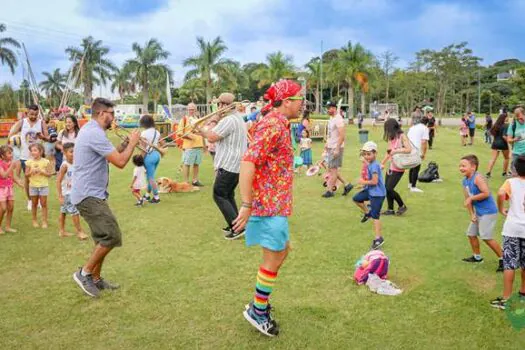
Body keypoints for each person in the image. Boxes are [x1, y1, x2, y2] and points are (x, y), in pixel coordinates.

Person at [232, 80, 303, 337]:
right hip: (267, 205)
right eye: (299, 99)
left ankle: (259, 303)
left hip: (275, 205)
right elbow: (248, 162)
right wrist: (247, 204)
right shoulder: (273, 125)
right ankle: (258, 311)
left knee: (281, 252)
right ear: (286, 102)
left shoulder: (279, 124)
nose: (302, 104)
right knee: (273, 258)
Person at [71, 98, 140, 298]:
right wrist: (133, 144)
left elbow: (110, 154)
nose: (114, 117)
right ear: (102, 113)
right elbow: (120, 162)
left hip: (90, 193)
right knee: (111, 235)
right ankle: (84, 273)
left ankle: (96, 279)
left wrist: (125, 144)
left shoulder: (93, 131)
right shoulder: (94, 133)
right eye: (112, 113)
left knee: (102, 237)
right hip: (88, 195)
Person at [198, 92, 247, 240]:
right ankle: (237, 224)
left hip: (229, 163)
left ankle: (237, 228)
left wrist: (204, 128)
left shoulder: (229, 120)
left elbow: (212, 137)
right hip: (236, 163)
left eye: (219, 104)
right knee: (227, 194)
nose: (217, 107)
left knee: (218, 194)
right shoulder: (236, 117)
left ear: (224, 106)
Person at [459, 155, 503, 272]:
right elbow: (467, 199)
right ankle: (477, 257)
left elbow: (486, 193)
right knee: (471, 234)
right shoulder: (465, 181)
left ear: (473, 167)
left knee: (486, 237)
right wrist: (472, 214)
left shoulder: (478, 178)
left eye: (464, 166)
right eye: (460, 166)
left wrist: (471, 199)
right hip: (478, 213)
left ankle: (504, 259)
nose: (461, 168)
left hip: (488, 212)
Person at [492, 156, 525, 309]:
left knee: (510, 264)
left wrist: (500, 208)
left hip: (512, 229)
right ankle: (523, 293)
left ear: (515, 169)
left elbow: (500, 194)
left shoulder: (511, 182)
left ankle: (506, 299)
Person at [8, 104, 49, 211]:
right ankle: (30, 200)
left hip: (39, 156)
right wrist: (13, 141)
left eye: (35, 114)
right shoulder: (22, 122)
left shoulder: (42, 122)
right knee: (27, 178)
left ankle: (38, 200)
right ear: (27, 113)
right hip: (25, 155)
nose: (33, 116)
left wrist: (42, 137)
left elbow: (48, 138)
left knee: (39, 177)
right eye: (31, 114)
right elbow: (11, 134)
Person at [352, 141, 387, 250]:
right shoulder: (371, 164)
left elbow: (375, 181)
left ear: (375, 153)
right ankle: (367, 213)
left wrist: (363, 182)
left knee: (376, 216)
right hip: (370, 191)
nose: (366, 156)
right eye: (365, 154)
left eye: (369, 154)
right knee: (356, 198)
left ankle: (378, 238)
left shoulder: (374, 166)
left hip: (378, 194)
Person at [322, 101, 353, 198]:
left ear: (334, 108)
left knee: (333, 170)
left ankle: (330, 191)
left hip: (336, 147)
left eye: (329, 108)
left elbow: (342, 135)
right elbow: (332, 133)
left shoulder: (338, 119)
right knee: (332, 169)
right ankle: (347, 185)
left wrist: (337, 149)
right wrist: (327, 143)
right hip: (331, 146)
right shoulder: (332, 118)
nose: (328, 110)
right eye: (327, 108)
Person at [56, 143, 87, 239]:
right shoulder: (65, 165)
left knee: (63, 211)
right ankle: (79, 232)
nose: (73, 154)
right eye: (71, 152)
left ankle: (61, 231)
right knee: (75, 211)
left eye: (75, 151)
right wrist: (60, 195)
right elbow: (58, 180)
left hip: (73, 192)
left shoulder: (76, 163)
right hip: (67, 193)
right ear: (65, 153)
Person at [381, 118, 411, 216]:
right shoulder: (392, 137)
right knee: (386, 189)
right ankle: (390, 209)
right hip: (391, 166)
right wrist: (382, 163)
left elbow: (408, 149)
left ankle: (402, 205)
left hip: (398, 167)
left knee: (389, 188)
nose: (387, 132)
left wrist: (397, 150)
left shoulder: (402, 136)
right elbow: (389, 152)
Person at [177, 103, 205, 186]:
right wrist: (189, 137)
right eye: (190, 109)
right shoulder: (184, 119)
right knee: (187, 164)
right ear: (187, 110)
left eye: (193, 109)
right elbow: (179, 133)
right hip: (189, 146)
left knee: (197, 164)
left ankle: (195, 180)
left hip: (198, 145)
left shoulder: (199, 119)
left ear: (196, 110)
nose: (191, 111)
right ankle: (186, 182)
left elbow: (202, 131)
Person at [25, 143, 51, 228]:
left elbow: (49, 174)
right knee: (34, 204)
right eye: (32, 151)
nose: (33, 152)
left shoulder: (46, 161)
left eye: (35, 150)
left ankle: (44, 221)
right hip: (33, 186)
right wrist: (31, 172)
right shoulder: (29, 162)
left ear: (41, 151)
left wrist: (43, 172)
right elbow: (26, 175)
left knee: (44, 204)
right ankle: (34, 220)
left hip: (44, 185)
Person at [139, 115, 161, 204]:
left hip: (149, 156)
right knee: (150, 176)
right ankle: (147, 195)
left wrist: (140, 159)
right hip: (156, 155)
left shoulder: (144, 133)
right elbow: (159, 143)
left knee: (150, 178)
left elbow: (143, 149)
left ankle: (156, 197)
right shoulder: (157, 132)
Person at [0, 145, 22, 234]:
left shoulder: (10, 163)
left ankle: (8, 227)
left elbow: (11, 176)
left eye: (11, 153)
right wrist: (12, 166)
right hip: (1, 189)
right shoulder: (0, 164)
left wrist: (19, 183)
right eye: (9, 153)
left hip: (9, 188)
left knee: (11, 207)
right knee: (3, 208)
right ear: (2, 156)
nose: (11, 155)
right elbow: (4, 175)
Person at [407, 116, 429, 193]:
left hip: (409, 148)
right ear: (427, 123)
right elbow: (424, 142)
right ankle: (413, 187)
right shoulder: (425, 128)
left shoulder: (413, 127)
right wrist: (423, 153)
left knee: (412, 167)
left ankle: (410, 184)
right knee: (416, 168)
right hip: (416, 149)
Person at [486, 113, 510, 178]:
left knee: (493, 159)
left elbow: (491, 133)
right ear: (505, 118)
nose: (508, 118)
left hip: (495, 143)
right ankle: (504, 173)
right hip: (503, 144)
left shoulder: (496, 125)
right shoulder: (506, 125)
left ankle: (488, 173)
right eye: (507, 117)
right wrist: (509, 142)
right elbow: (504, 136)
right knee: (507, 158)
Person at [507, 106, 525, 175]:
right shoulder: (513, 124)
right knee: (515, 174)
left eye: (521, 118)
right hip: (516, 154)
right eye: (518, 119)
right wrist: (515, 139)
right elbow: (509, 140)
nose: (520, 120)